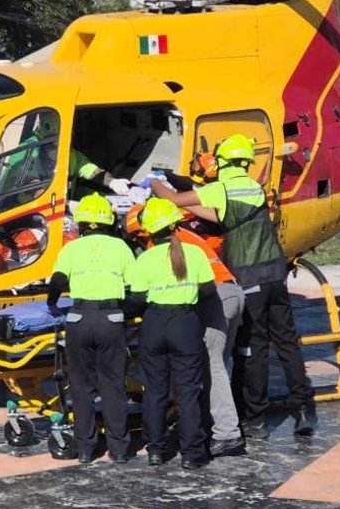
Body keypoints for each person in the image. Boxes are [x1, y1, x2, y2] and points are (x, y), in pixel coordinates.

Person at [148, 135, 315, 439]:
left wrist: (155, 181)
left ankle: (256, 419)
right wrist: (187, 189)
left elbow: (173, 201)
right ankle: (303, 409)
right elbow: (223, 216)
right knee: (288, 343)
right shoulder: (253, 187)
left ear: (222, 162)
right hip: (275, 274)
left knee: (254, 349)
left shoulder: (222, 188)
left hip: (250, 278)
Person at [127, 194, 246, 458]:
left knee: (212, 366)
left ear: (146, 230)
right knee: (204, 369)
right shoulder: (185, 239)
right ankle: (202, 426)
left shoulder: (162, 247)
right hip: (227, 293)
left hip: (216, 297)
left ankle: (227, 434)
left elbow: (188, 290)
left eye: (137, 236)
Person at [46, 194, 137, 464]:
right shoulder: (121, 247)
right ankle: (118, 449)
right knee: (113, 386)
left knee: (81, 386)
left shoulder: (71, 248)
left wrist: (51, 303)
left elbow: (57, 281)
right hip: (110, 319)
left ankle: (86, 448)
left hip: (79, 320)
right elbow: (135, 288)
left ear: (82, 223)